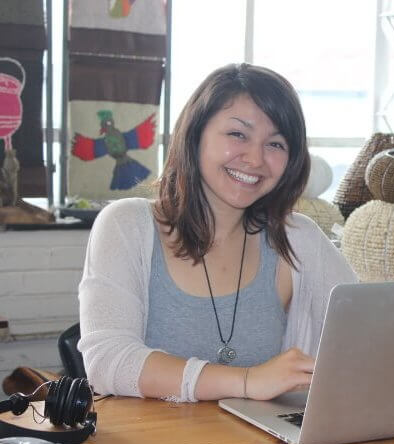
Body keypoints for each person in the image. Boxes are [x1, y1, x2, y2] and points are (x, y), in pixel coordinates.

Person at [78, 63, 357, 402]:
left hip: (253, 438)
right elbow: (108, 361)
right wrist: (247, 381)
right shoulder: (127, 224)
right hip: (152, 437)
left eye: (275, 144)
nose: (255, 158)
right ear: (196, 135)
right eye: (238, 134)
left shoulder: (298, 238)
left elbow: (367, 329)